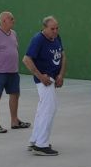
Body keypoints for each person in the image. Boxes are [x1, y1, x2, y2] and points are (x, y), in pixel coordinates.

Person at [23, 16, 66, 156]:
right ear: (44, 28)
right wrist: (40, 76)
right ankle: (41, 145)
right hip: (45, 80)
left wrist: (61, 75)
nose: (55, 31)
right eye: (52, 29)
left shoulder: (57, 38)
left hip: (53, 79)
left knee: (42, 110)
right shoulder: (38, 39)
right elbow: (26, 59)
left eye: (56, 28)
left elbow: (63, 56)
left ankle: (35, 140)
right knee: (50, 109)